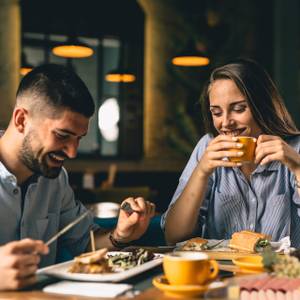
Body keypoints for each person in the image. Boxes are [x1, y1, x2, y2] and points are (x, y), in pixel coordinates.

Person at [0, 64, 155, 288]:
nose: (72, 152)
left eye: (79, 139)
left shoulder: (56, 179)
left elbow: (84, 244)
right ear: (22, 120)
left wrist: (120, 235)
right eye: (62, 135)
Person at [162, 58, 300, 247]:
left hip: (280, 272)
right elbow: (173, 237)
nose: (225, 123)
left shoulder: (294, 148)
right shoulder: (208, 146)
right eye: (217, 113)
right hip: (218, 272)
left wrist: (298, 167)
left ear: (263, 106)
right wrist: (202, 171)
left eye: (238, 109)